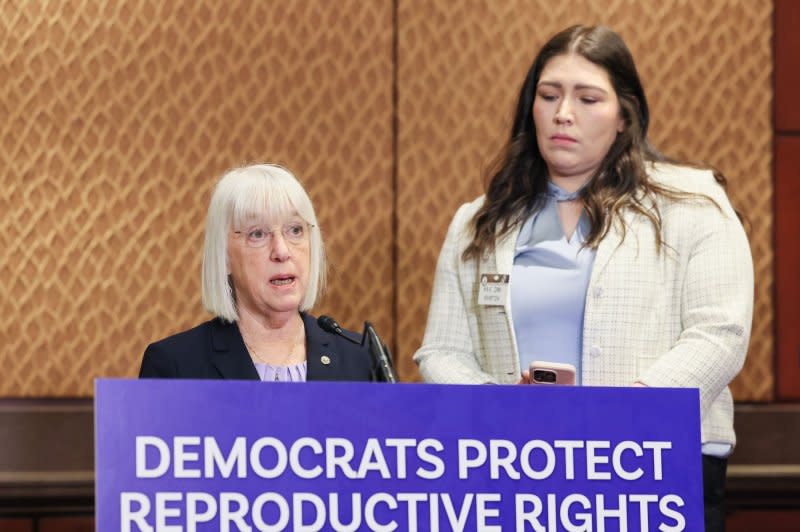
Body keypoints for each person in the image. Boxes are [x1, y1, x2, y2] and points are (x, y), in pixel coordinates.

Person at [413, 25, 752, 531]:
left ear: (623, 116)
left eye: (588, 98)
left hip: (655, 468)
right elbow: (441, 352)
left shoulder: (692, 203)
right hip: (517, 469)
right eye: (548, 96)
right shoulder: (478, 221)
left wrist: (625, 415)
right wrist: (501, 407)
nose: (563, 113)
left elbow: (719, 334)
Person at [140, 163, 374, 382]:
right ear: (224, 258)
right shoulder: (175, 366)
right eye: (258, 234)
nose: (282, 251)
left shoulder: (361, 359)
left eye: (295, 230)